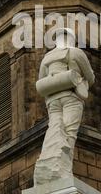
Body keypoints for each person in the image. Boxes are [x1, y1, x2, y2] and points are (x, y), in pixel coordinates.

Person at [34, 28, 95, 185]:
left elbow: (41, 79)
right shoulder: (76, 53)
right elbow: (90, 77)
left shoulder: (47, 57)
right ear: (71, 38)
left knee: (54, 129)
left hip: (52, 100)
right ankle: (63, 171)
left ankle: (48, 163)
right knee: (69, 133)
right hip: (71, 97)